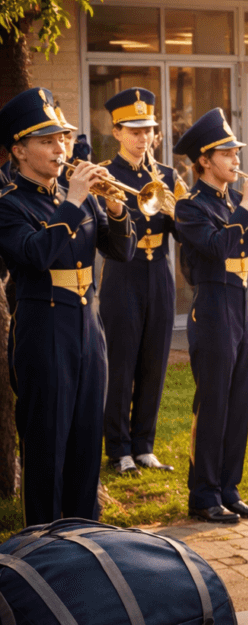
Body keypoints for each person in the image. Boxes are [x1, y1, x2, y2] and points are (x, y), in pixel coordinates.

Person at [0, 87, 136, 526]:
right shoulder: (10, 204)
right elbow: (35, 255)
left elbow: (122, 251)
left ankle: (86, 540)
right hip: (43, 330)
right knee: (46, 445)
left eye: (63, 138)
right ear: (19, 150)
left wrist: (115, 209)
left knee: (84, 442)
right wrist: (76, 202)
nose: (61, 149)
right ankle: (42, 547)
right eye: (47, 141)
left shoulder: (79, 195)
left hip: (87, 328)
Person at [172, 108, 248, 524]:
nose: (237, 160)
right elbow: (218, 247)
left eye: (237, 152)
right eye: (228, 153)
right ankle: (204, 493)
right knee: (213, 402)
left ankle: (229, 489)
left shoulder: (236, 201)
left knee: (239, 401)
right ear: (204, 160)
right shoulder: (189, 207)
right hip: (213, 305)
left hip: (242, 304)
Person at [99, 87, 179, 476]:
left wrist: (178, 206)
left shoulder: (166, 174)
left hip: (159, 267)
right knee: (121, 359)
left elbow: (181, 228)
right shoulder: (106, 174)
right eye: (133, 130)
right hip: (123, 270)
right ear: (116, 132)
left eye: (147, 129)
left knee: (155, 359)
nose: (142, 138)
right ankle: (118, 448)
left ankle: (144, 444)